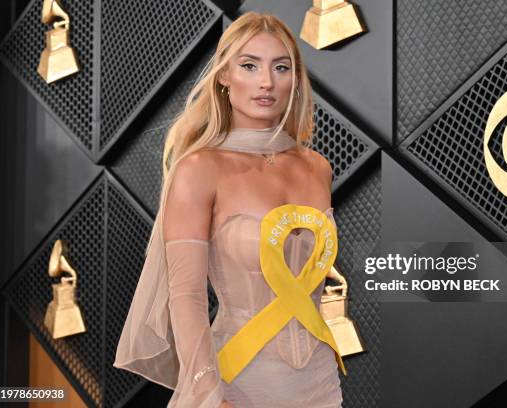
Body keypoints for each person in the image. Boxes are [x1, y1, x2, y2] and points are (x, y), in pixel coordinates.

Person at [113, 12, 346, 407]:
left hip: (320, 382)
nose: (266, 82)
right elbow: (185, 295)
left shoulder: (317, 167)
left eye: (281, 67)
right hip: (236, 380)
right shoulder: (199, 169)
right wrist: (208, 393)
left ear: (296, 78)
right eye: (249, 65)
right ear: (224, 76)